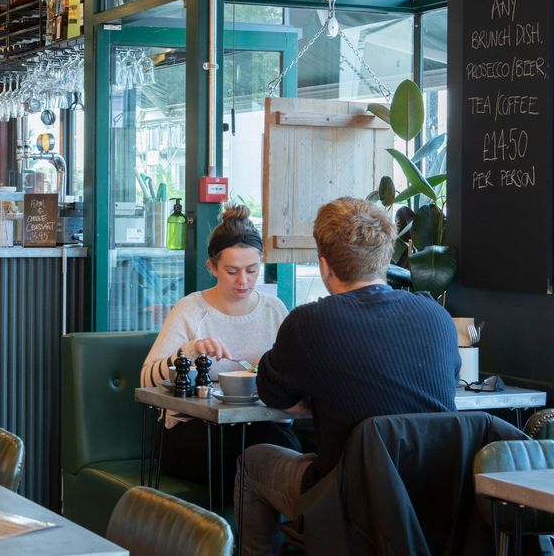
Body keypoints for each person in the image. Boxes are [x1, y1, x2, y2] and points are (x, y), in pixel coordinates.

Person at [236, 197, 460, 556]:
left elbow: (272, 394)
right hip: (435, 495)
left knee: (253, 461)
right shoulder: (436, 316)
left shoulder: (310, 322)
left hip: (349, 495)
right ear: (385, 260)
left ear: (325, 267)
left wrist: (318, 399)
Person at [140, 204, 300, 489]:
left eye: (252, 270)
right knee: (240, 452)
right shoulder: (190, 309)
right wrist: (190, 351)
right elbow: (147, 380)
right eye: (232, 271)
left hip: (260, 425)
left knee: (284, 449)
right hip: (194, 432)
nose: (244, 281)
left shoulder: (274, 310)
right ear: (212, 267)